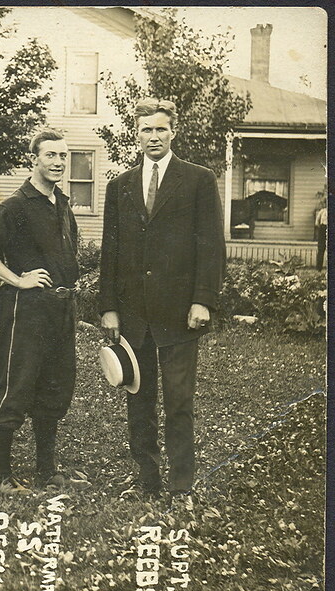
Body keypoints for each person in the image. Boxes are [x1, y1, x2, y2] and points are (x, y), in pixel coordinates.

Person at [99, 98, 225, 510]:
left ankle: (181, 485)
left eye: (160, 129)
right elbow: (110, 252)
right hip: (134, 316)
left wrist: (202, 300)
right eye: (145, 130)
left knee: (178, 401)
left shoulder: (198, 179)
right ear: (135, 134)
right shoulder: (119, 186)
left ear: (173, 132)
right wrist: (109, 308)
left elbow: (210, 246)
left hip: (179, 316)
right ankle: (147, 479)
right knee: (139, 399)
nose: (153, 137)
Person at [0, 128, 89, 493]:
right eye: (50, 155)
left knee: (54, 386)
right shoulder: (16, 206)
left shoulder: (61, 204)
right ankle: (3, 476)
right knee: (16, 384)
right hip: (27, 310)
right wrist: (16, 280)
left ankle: (45, 469)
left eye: (63, 156)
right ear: (33, 160)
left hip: (61, 309)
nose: (58, 163)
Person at [314, 192, 327, 271]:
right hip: (323, 228)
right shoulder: (322, 211)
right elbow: (317, 222)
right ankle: (319, 267)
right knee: (321, 248)